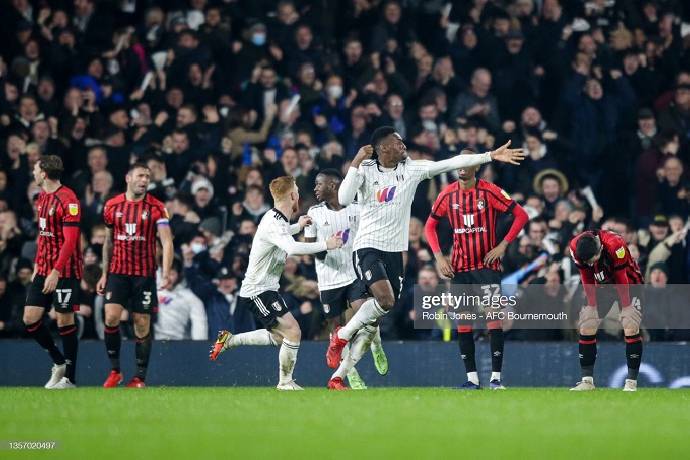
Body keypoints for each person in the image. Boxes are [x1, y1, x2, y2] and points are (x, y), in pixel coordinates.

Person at [325, 125, 525, 381]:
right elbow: (343, 198)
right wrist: (355, 161)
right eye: (399, 142)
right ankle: (342, 339)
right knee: (385, 300)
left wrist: (490, 156)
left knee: (385, 306)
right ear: (384, 147)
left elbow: (451, 162)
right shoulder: (365, 169)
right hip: (368, 245)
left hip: (396, 251)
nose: (404, 146)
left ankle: (348, 341)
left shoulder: (413, 169)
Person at [209, 176, 343, 390]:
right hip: (257, 290)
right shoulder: (273, 221)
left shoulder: (276, 219)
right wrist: (327, 244)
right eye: (297, 191)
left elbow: (281, 234)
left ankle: (230, 341)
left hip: (267, 289)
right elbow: (292, 248)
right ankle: (285, 382)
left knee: (282, 337)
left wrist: (297, 226)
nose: (298, 194)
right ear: (292, 195)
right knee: (293, 332)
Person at [424, 148, 529, 389]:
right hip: (460, 269)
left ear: (476, 166)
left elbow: (521, 216)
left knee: (494, 320)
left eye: (467, 162)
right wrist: (439, 257)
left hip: (487, 267)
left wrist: (503, 246)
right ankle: (471, 379)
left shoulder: (489, 191)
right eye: (459, 162)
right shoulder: (446, 195)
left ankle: (495, 379)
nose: (462, 166)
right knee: (463, 322)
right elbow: (429, 227)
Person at [304, 169, 388, 390]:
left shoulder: (358, 209)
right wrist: (325, 246)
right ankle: (350, 373)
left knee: (369, 315)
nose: (315, 188)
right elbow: (309, 247)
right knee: (337, 330)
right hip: (328, 280)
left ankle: (377, 345)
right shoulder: (314, 213)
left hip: (354, 274)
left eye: (319, 184)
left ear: (333, 185)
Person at [97, 162, 174, 388]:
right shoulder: (111, 206)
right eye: (140, 176)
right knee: (111, 317)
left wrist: (166, 271)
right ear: (128, 177)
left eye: (147, 177)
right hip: (118, 272)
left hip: (144, 274)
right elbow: (108, 243)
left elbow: (167, 242)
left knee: (141, 324)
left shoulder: (157, 208)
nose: (144, 180)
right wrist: (104, 274)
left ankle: (139, 377)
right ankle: (115, 371)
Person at [23, 155, 82, 389]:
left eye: (36, 170)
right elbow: (44, 236)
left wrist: (56, 271)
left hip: (65, 270)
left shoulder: (69, 200)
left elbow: (70, 241)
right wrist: (39, 263)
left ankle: (70, 379)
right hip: (44, 268)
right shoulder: (41, 198)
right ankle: (59, 362)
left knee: (64, 318)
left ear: (44, 174)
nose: (34, 174)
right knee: (30, 319)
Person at [569, 230, 644, 392]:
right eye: (586, 261)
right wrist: (591, 306)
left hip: (629, 283)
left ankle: (631, 383)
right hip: (602, 286)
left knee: (630, 326)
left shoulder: (616, 244)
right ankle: (587, 382)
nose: (590, 264)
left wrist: (626, 307)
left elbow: (621, 277)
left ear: (600, 249)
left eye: (592, 260)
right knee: (587, 325)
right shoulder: (575, 247)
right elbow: (586, 276)